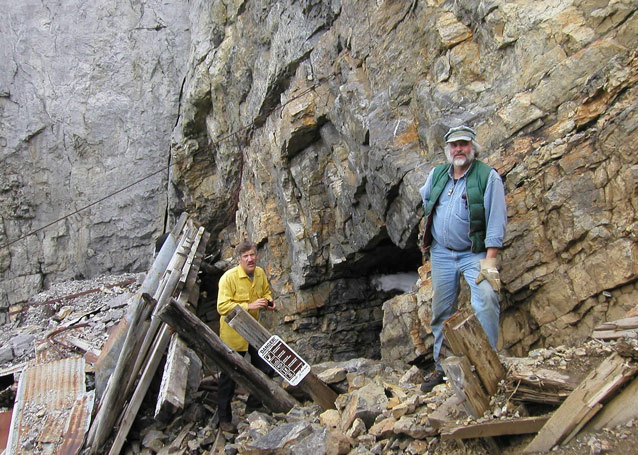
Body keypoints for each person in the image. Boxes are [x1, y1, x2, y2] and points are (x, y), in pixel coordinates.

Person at [419, 125, 507, 393]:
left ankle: (487, 362)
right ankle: (442, 367)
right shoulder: (437, 175)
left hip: (475, 253)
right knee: (442, 311)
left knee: (486, 300)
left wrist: (490, 262)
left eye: (464, 144)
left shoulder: (487, 177)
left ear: (473, 147)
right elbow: (425, 201)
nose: (459, 149)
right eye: (454, 145)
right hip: (442, 254)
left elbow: (496, 219)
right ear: (448, 149)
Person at [216, 240, 276, 432]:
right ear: (239, 259)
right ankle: (224, 420)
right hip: (233, 334)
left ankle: (254, 404)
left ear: (256, 255)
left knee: (267, 367)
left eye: (252, 255)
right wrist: (248, 306)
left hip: (253, 331)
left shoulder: (259, 273)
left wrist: (269, 302)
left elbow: (265, 292)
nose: (250, 259)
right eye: (245, 256)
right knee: (229, 376)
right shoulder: (228, 278)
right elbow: (222, 306)